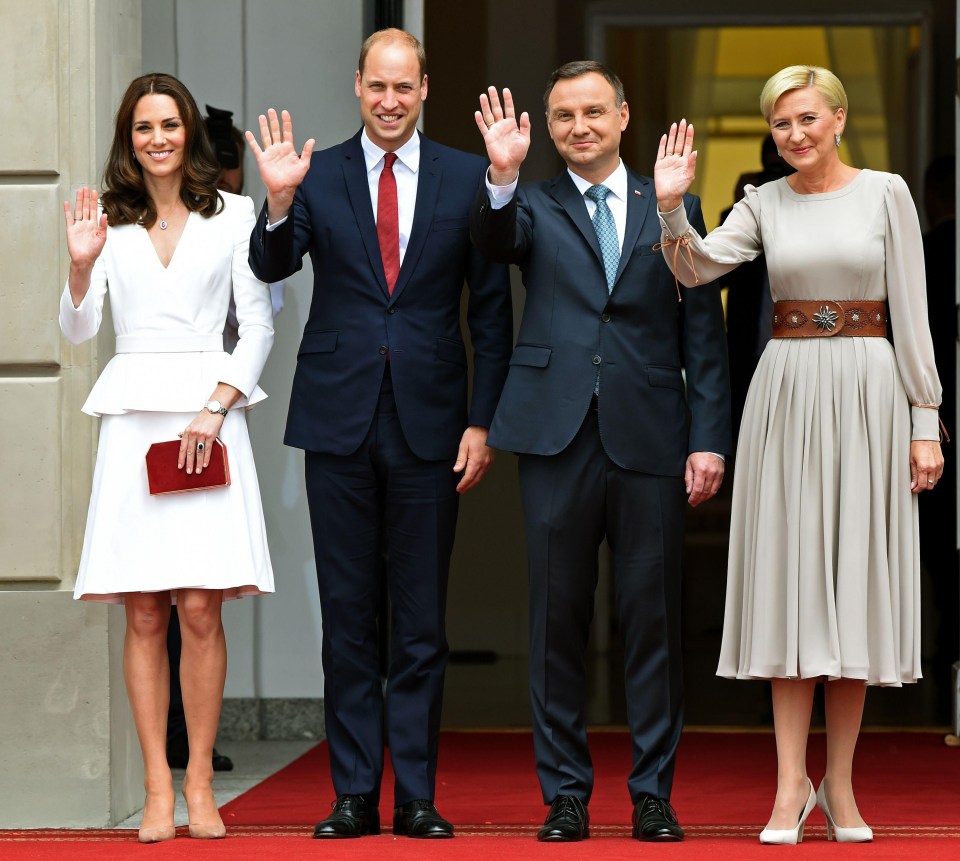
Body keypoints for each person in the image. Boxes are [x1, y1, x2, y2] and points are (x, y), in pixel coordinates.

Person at [654, 65, 944, 844]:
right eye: (782, 124)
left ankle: (841, 787)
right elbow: (693, 268)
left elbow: (913, 310)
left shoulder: (886, 192)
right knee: (791, 589)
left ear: (840, 118)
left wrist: (925, 417)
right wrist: (672, 205)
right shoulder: (761, 202)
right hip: (785, 393)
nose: (796, 135)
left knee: (852, 587)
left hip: (870, 390)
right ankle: (789, 789)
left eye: (809, 119)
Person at [245, 29, 513, 839]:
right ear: (357, 86)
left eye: (405, 87)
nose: (390, 101)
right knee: (350, 615)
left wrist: (482, 419)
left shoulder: (470, 176)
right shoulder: (316, 174)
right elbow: (269, 266)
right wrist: (281, 201)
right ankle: (355, 792)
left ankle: (419, 795)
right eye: (377, 87)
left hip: (433, 422)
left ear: (425, 88)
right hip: (339, 419)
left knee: (423, 620)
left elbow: (493, 311)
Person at [470, 62, 731, 843]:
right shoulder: (532, 205)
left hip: (651, 431)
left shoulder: (670, 205)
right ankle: (566, 794)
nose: (578, 127)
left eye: (592, 112)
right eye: (561, 117)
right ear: (546, 128)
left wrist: (709, 436)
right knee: (557, 620)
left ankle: (652, 791)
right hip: (555, 434)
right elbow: (494, 243)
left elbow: (703, 333)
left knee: (651, 619)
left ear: (623, 116)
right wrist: (501, 175)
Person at [60, 72, 275, 843]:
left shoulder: (236, 214)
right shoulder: (107, 222)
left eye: (170, 125)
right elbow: (82, 331)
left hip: (206, 418)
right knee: (144, 609)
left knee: (200, 607)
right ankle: (157, 785)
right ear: (130, 137)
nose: (158, 138)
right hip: (132, 418)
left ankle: (199, 782)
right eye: (144, 127)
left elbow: (256, 327)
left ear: (190, 133)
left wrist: (216, 408)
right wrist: (81, 267)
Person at [720, 135, 794, 435]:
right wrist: (744, 207)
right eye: (770, 167)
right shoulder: (738, 214)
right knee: (744, 432)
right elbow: (716, 277)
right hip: (745, 344)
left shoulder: (808, 212)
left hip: (795, 343)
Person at [919, 154, 957, 723]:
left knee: (940, 549)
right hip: (937, 416)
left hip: (933, 415)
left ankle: (947, 652)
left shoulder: (931, 248)